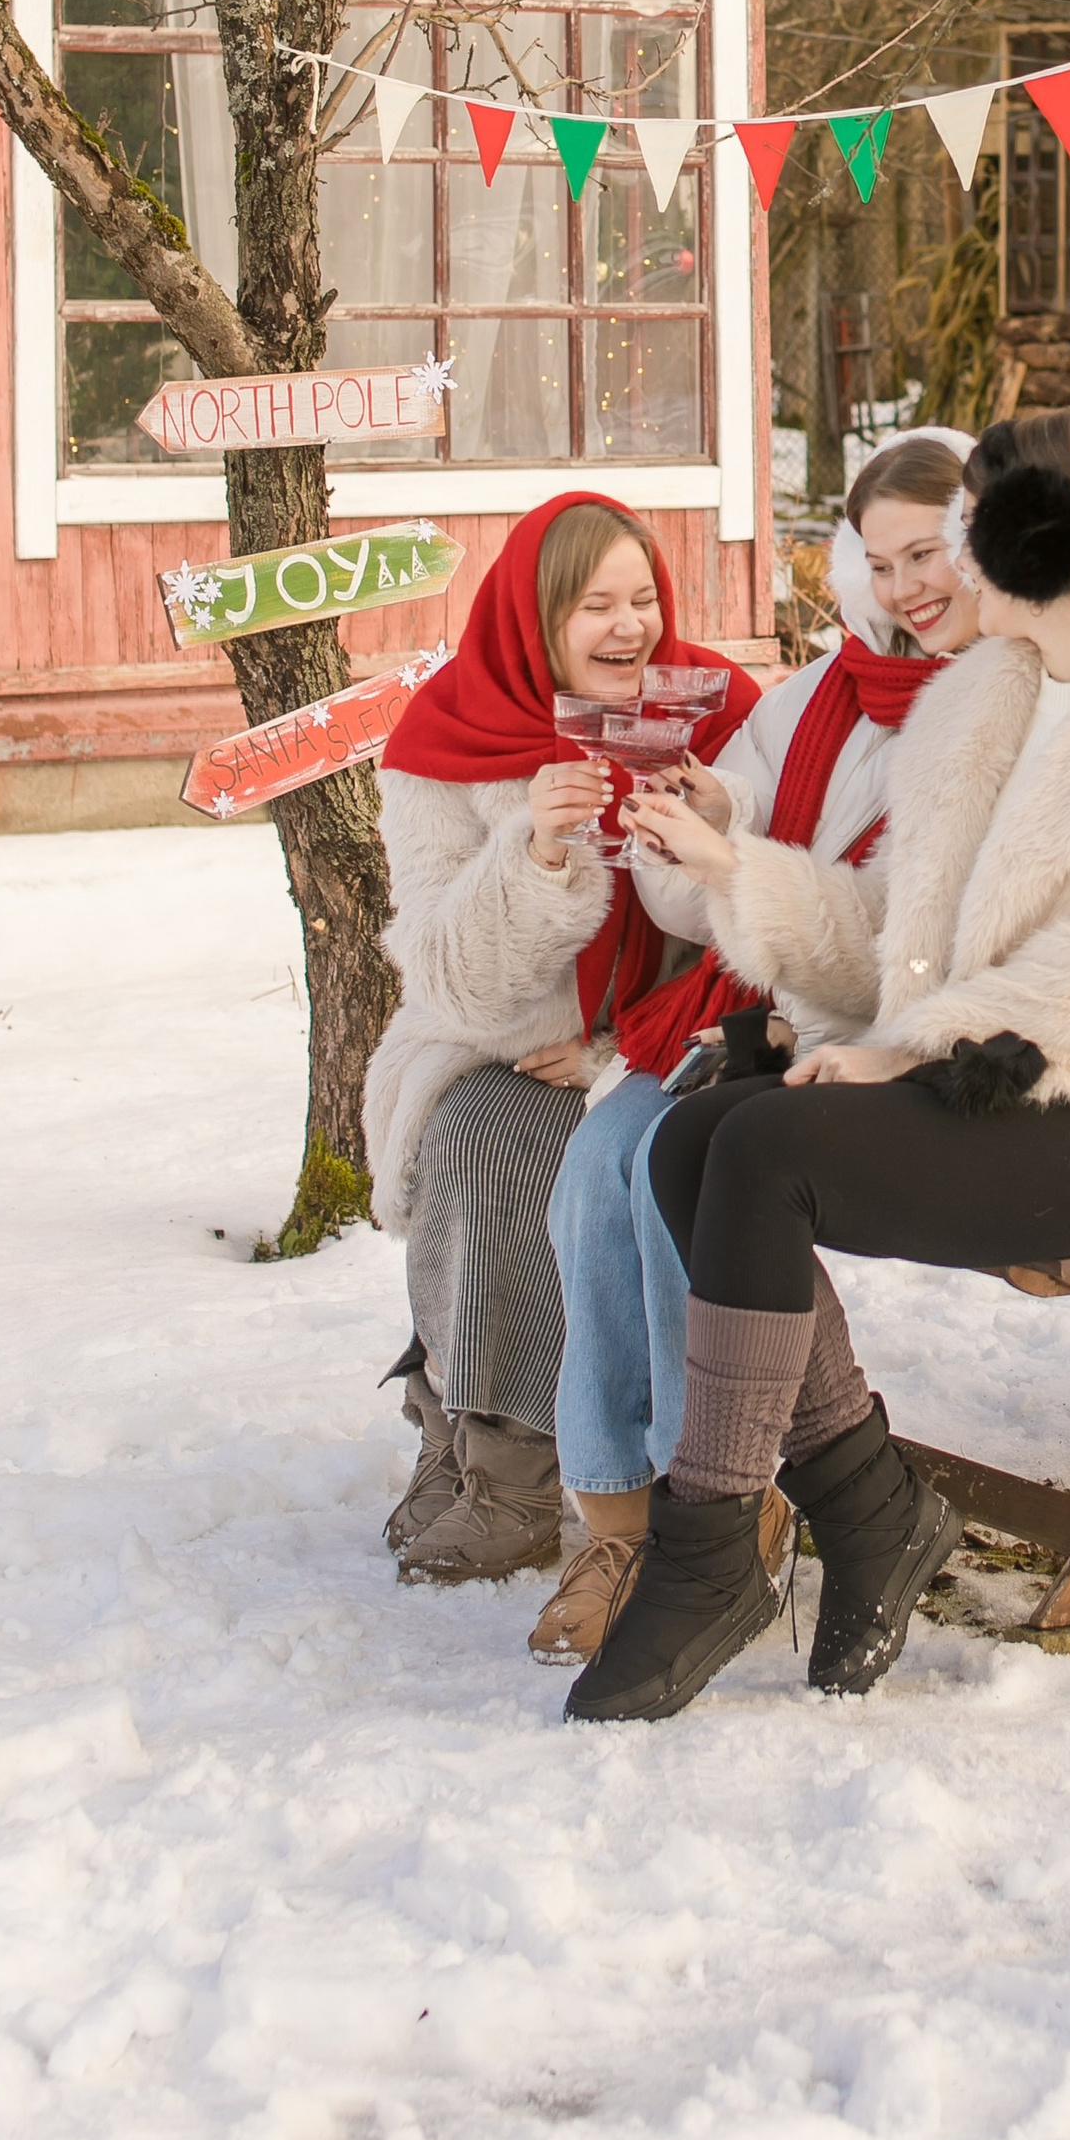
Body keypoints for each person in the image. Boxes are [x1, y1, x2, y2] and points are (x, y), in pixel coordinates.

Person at [567, 411, 1070, 1724]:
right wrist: (743, 874)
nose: (937, 575)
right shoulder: (986, 702)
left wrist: (906, 1055)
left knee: (769, 1151)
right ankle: (871, 1510)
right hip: (999, 1089)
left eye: (966, 536)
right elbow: (890, 949)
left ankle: (708, 1553)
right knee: (693, 1138)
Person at [528, 427, 980, 1665]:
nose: (904, 590)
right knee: (591, 1177)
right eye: (880, 564)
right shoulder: (813, 699)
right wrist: (707, 820)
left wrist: (746, 872)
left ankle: (713, 1516)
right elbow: (692, 899)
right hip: (744, 1018)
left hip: (864, 1037)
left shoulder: (998, 709)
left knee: (679, 1174)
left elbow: (907, 945)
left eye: (927, 555)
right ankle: (614, 1524)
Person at [365, 495, 757, 1583]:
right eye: (595, 606)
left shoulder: (718, 717)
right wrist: (535, 855)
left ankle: (516, 1465)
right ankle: (461, 1425)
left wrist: (617, 1054)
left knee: (521, 1145)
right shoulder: (448, 736)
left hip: (671, 1047)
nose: (628, 627)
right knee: (469, 1129)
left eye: (643, 599)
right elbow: (447, 977)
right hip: (493, 1032)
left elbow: (769, 913)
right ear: (536, 617)